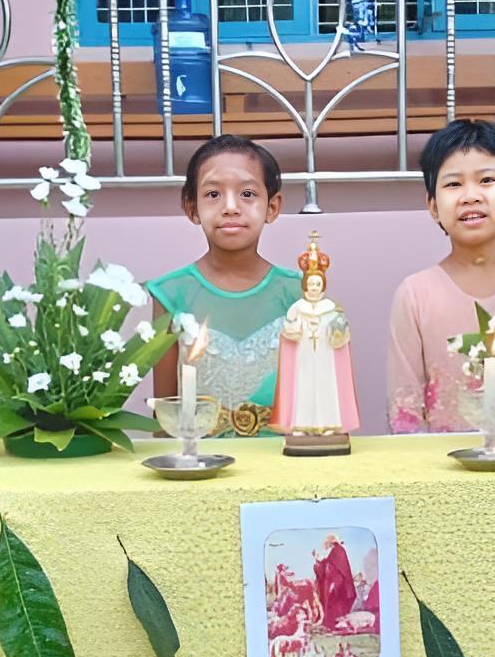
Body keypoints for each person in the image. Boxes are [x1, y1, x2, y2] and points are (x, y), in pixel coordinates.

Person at [148, 136, 301, 437]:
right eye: (213, 194)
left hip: (282, 457)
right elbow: (165, 414)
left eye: (247, 194)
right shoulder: (170, 294)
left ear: (272, 207)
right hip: (200, 459)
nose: (230, 207)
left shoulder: (298, 292)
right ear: (192, 208)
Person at [387, 119, 495, 432]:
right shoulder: (415, 295)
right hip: (438, 461)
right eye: (453, 184)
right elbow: (404, 410)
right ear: (433, 206)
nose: (470, 196)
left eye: (487, 180)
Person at [271, 234, 361, 435]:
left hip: (325, 357)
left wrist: (338, 333)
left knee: (326, 388)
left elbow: (341, 333)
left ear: (323, 286)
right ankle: (301, 424)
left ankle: (329, 424)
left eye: (317, 285)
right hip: (303, 357)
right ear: (305, 285)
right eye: (311, 284)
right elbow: (288, 331)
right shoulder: (297, 308)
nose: (313, 288)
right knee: (302, 388)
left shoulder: (332, 308)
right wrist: (293, 330)